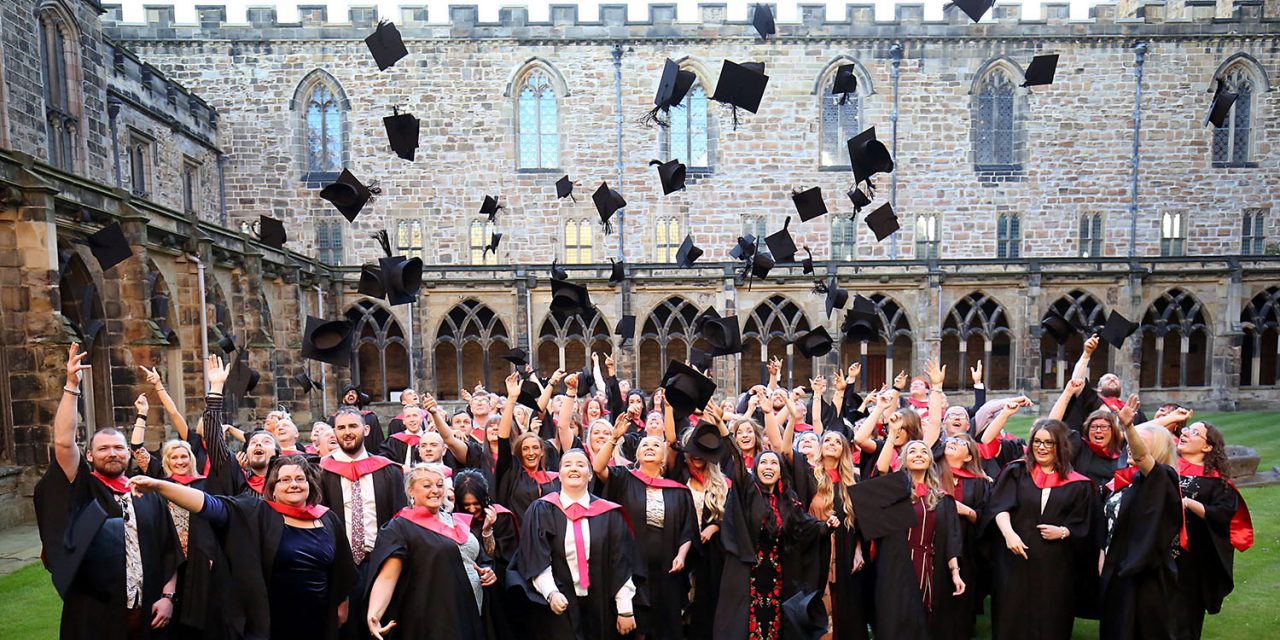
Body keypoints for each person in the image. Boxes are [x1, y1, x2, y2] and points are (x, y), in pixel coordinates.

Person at [34, 343, 181, 640]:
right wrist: (71, 386)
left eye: (118, 448)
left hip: (148, 610)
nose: (112, 453)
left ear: (128, 453)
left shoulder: (148, 493)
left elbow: (169, 551)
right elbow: (63, 443)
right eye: (103, 448)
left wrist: (168, 598)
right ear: (89, 456)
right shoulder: (85, 490)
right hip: (94, 611)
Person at [128, 455, 356, 640]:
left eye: (299, 479)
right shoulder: (256, 512)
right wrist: (159, 485)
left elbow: (342, 567)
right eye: (284, 480)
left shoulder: (327, 519)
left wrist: (341, 604)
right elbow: (208, 504)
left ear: (310, 484)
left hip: (317, 621)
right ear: (273, 488)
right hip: (269, 623)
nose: (293, 484)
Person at [985, 418, 1098, 640]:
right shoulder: (1016, 472)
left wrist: (1064, 532)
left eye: (1049, 442)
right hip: (1014, 560)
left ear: (1060, 446)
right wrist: (1009, 534)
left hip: (1056, 565)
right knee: (1011, 617)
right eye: (1037, 441)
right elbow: (999, 507)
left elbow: (1086, 525)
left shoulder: (1079, 484)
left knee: (1051, 618)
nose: (1041, 447)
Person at [512, 449, 638, 640]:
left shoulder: (609, 513)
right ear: (559, 475)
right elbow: (536, 557)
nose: (574, 469)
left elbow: (621, 562)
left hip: (602, 603)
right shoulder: (541, 510)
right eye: (567, 464)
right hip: (559, 603)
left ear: (590, 475)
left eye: (581, 465)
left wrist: (625, 608)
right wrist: (551, 593)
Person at [594, 420, 697, 640]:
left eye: (655, 445)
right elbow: (598, 468)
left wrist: (681, 556)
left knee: (666, 627)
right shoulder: (624, 479)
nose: (650, 448)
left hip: (667, 569)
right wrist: (613, 437)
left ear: (663, 459)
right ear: (637, 455)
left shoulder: (678, 491)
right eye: (645, 446)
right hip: (631, 567)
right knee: (637, 628)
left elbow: (687, 529)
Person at [365, 464, 490, 640]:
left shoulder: (454, 520)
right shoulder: (400, 527)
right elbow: (387, 577)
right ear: (411, 491)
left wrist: (487, 570)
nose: (435, 490)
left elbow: (475, 557)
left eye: (439, 485)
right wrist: (375, 614)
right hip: (434, 617)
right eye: (426, 485)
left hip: (471, 610)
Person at [715, 450, 827, 640]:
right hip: (746, 574)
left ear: (780, 470)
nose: (768, 467)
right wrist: (725, 433)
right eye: (763, 463)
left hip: (777, 577)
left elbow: (805, 527)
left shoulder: (787, 501)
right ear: (756, 469)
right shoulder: (747, 494)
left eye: (773, 463)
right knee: (742, 627)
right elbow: (739, 468)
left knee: (773, 627)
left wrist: (826, 526)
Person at [318, 407, 407, 640]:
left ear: (366, 429)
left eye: (353, 426)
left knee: (382, 629)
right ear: (334, 433)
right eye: (341, 428)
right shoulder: (322, 473)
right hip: (339, 566)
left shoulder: (388, 470)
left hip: (380, 565)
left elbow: (400, 519)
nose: (347, 432)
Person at [871, 432, 965, 640]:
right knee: (897, 620)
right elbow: (881, 469)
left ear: (931, 460)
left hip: (929, 566)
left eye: (924, 451)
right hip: (897, 566)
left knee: (926, 620)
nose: (919, 454)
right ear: (903, 459)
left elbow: (951, 537)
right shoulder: (894, 494)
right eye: (912, 451)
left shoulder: (942, 498)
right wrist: (891, 435)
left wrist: (955, 572)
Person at [1099, 415, 1184, 640]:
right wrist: (1103, 555)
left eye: (1137, 442)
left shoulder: (1164, 478)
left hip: (1146, 573)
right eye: (1129, 441)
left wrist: (1128, 426)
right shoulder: (1127, 481)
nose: (1130, 447)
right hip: (1116, 568)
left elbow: (1142, 457)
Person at [1173, 421, 1254, 639]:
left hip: (1192, 559)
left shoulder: (1218, 483)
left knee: (1184, 617)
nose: (1186, 433)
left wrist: (1189, 503)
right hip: (1156, 551)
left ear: (1208, 447)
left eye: (1195, 432)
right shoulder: (1166, 468)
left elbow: (1223, 515)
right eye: (1187, 430)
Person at [806, 430, 870, 640]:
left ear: (844, 449)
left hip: (846, 550)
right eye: (827, 440)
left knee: (846, 607)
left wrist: (859, 550)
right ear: (820, 447)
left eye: (837, 441)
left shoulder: (853, 481)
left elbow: (860, 522)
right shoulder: (809, 477)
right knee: (821, 607)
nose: (832, 444)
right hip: (817, 549)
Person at [455, 469, 522, 640]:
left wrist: (487, 531)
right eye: (466, 505)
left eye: (476, 503)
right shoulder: (454, 520)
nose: (471, 509)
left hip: (498, 589)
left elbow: (502, 557)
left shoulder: (501, 517)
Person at [938, 430, 992, 637]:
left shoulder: (979, 482)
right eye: (950, 439)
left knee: (963, 587)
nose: (952, 442)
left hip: (966, 545)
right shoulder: (931, 475)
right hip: (934, 542)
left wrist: (966, 511)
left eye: (960, 442)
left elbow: (985, 518)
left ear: (969, 456)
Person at [496, 373, 561, 521]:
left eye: (535, 448)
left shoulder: (553, 478)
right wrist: (512, 399)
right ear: (518, 452)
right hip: (520, 537)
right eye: (525, 449)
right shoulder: (513, 473)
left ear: (542, 451)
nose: (531, 453)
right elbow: (503, 438)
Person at [1051, 379, 1125, 490]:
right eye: (1094, 427)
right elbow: (1051, 427)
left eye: (1104, 427)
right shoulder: (1080, 446)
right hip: (1083, 502)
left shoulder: (1123, 451)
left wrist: (1128, 426)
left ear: (1113, 431)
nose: (1098, 431)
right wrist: (1068, 393)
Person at [331, 385, 385, 455]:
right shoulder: (334, 419)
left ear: (358, 399)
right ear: (343, 400)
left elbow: (378, 441)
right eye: (347, 393)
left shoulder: (370, 417)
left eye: (353, 393)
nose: (350, 394)